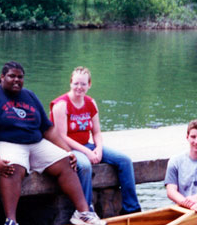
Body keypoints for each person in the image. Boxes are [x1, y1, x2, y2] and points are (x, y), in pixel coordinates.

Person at [0, 61, 106, 225]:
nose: (16, 80)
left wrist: (68, 151)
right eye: (12, 76)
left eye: (20, 77)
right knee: (12, 166)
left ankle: (82, 212)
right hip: (1, 143)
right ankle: (10, 223)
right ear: (2, 78)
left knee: (66, 162)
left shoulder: (29, 96)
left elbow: (48, 130)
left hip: (34, 143)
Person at [50, 66, 141, 215]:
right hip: (67, 148)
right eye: (76, 83)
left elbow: (97, 132)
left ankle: (131, 208)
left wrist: (98, 148)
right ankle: (85, 210)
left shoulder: (91, 103)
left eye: (83, 84)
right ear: (70, 83)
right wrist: (88, 152)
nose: (79, 87)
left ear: (89, 85)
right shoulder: (61, 105)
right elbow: (62, 137)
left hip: (87, 145)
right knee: (85, 165)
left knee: (124, 161)